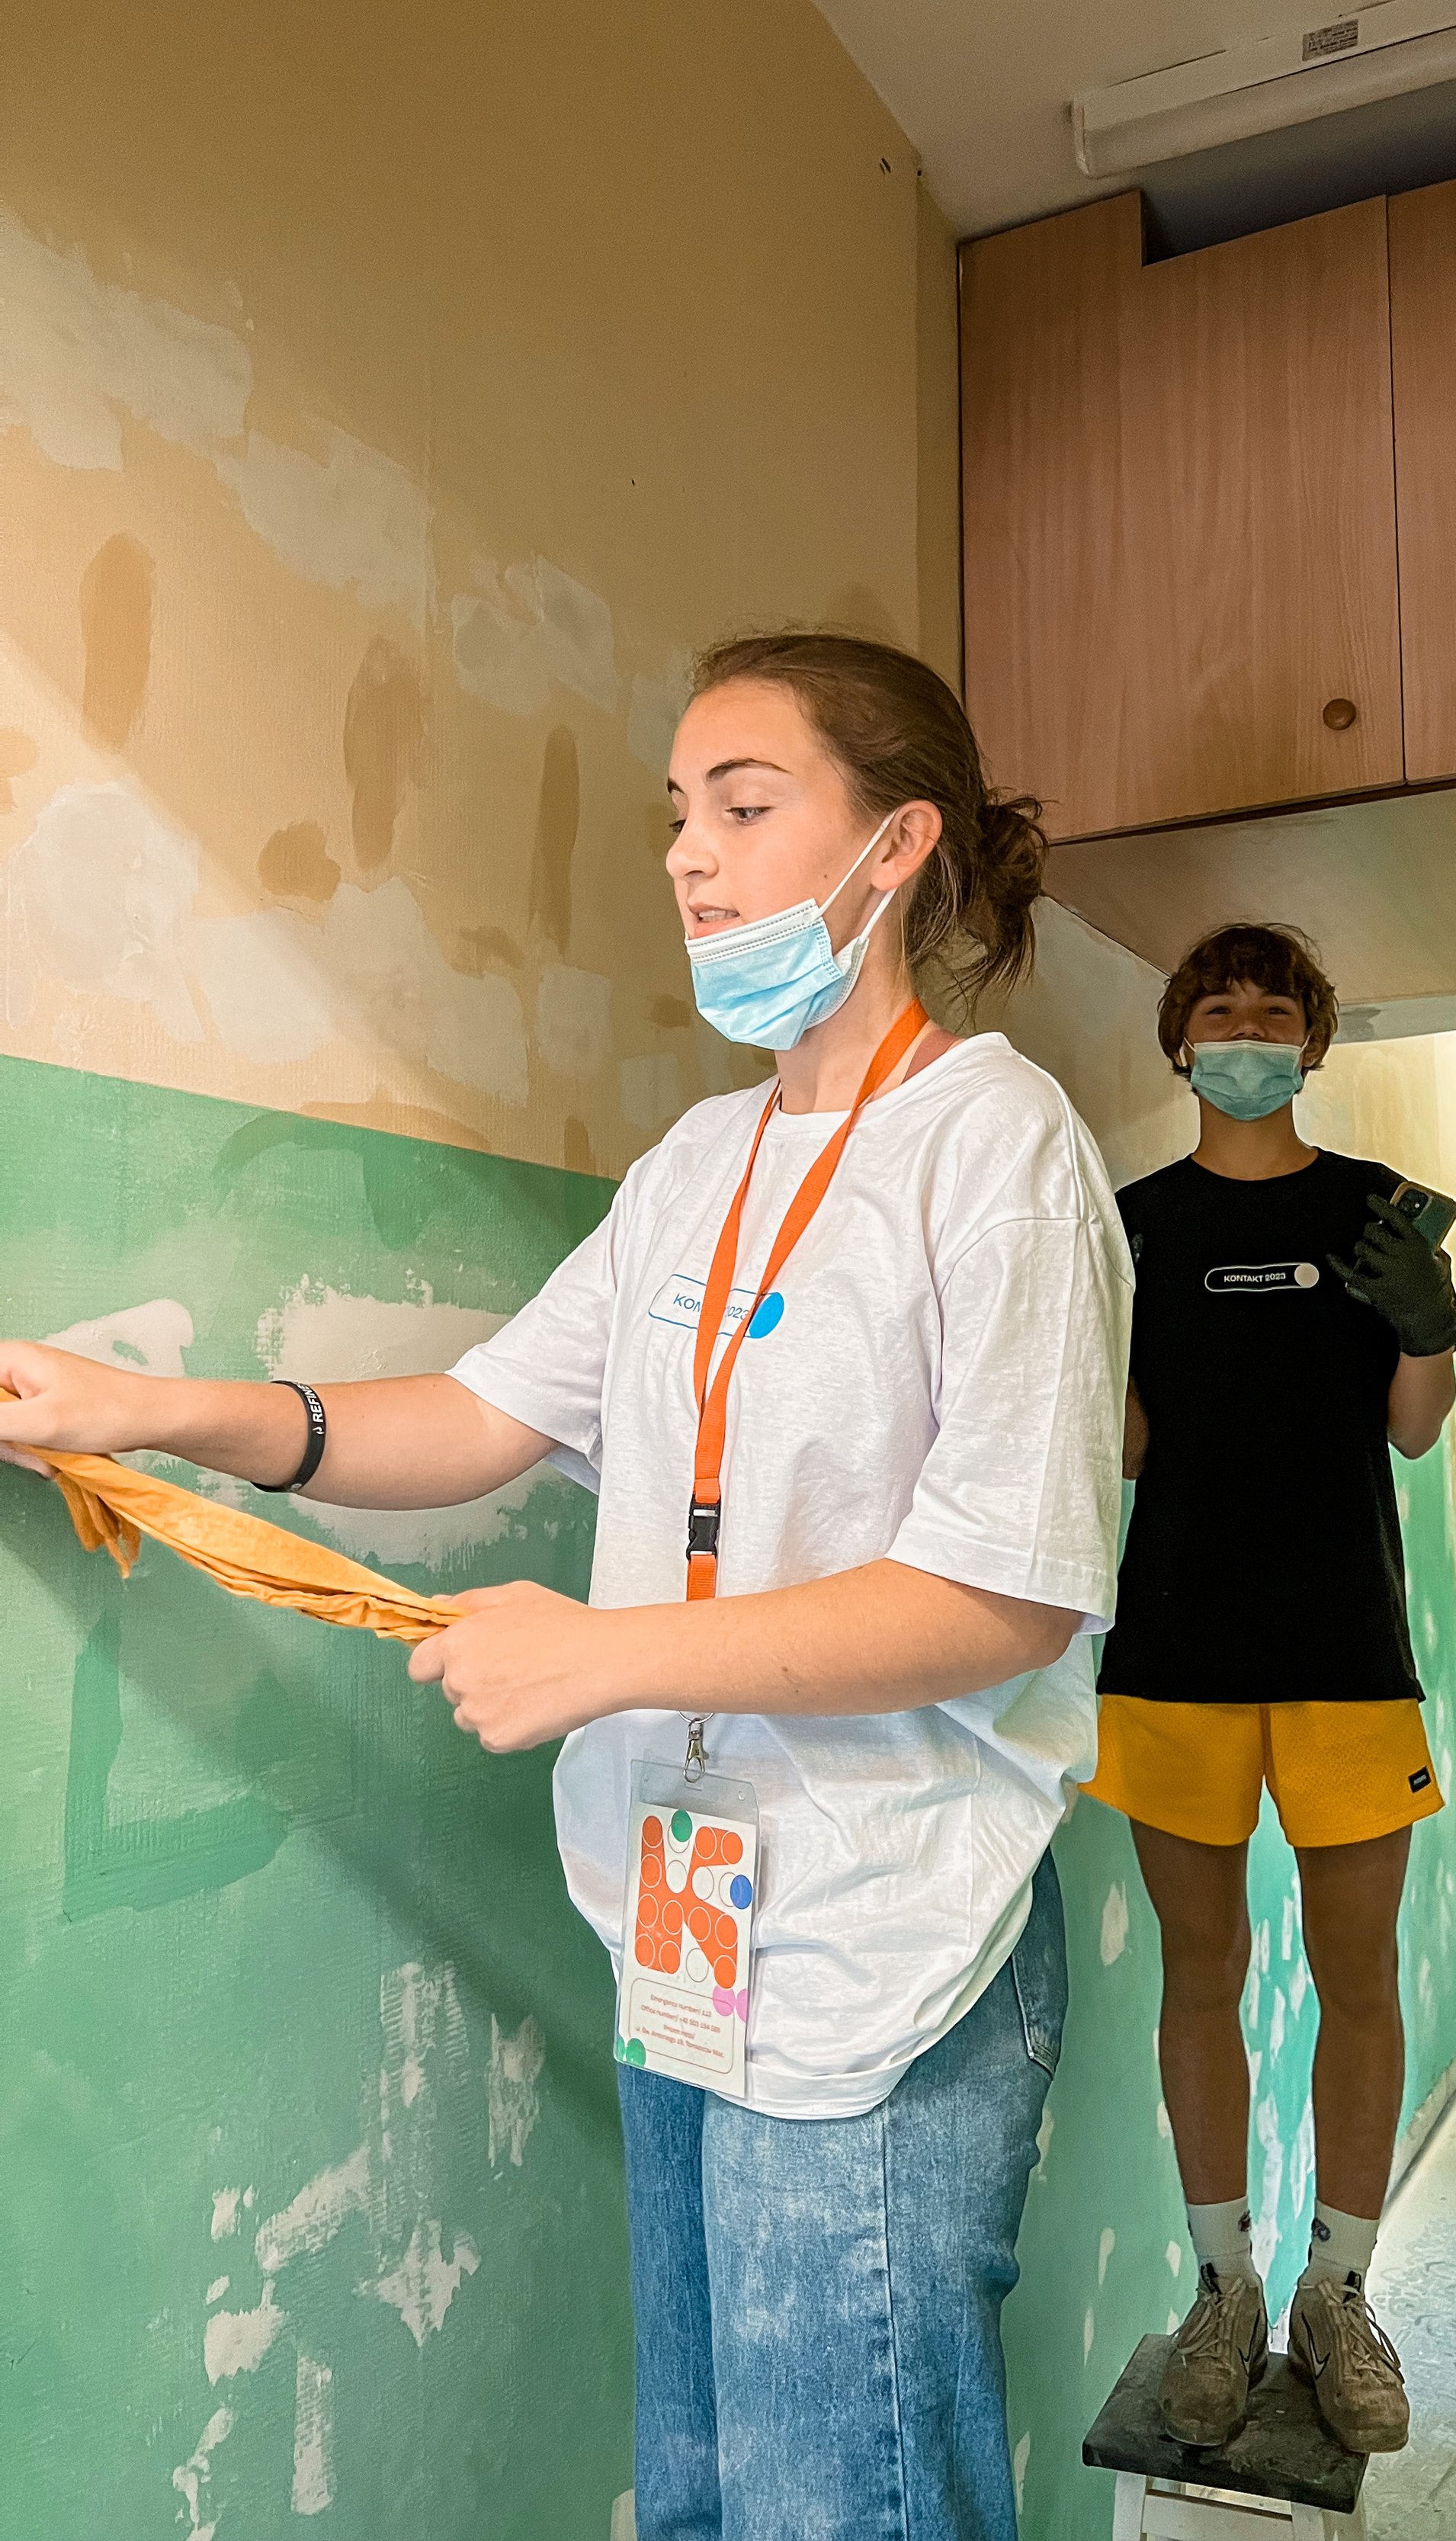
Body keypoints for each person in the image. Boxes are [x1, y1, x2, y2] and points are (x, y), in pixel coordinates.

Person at [0, 634, 1132, 2541]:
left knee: (841, 2503)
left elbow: (1003, 1594)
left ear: (898, 844)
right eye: (676, 817)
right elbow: (474, 1411)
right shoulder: (697, 1161)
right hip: (681, 1931)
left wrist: (607, 1655)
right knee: (704, 2493)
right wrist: (158, 1404)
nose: (690, 858)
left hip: (882, 1950)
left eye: (746, 807)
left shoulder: (997, 1149)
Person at [1083, 921, 1456, 2458]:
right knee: (1198, 1975)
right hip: (1168, 1655)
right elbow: (1114, 1444)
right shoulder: (1126, 1225)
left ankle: (1339, 2291)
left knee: (1355, 1977)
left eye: (1273, 1010)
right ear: (1179, 1042)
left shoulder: (1374, 1210)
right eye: (1219, 1009)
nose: (1246, 1028)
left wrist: (1428, 1320)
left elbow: (1413, 1429)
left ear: (1311, 1045)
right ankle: (1222, 2289)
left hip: (1343, 1656)